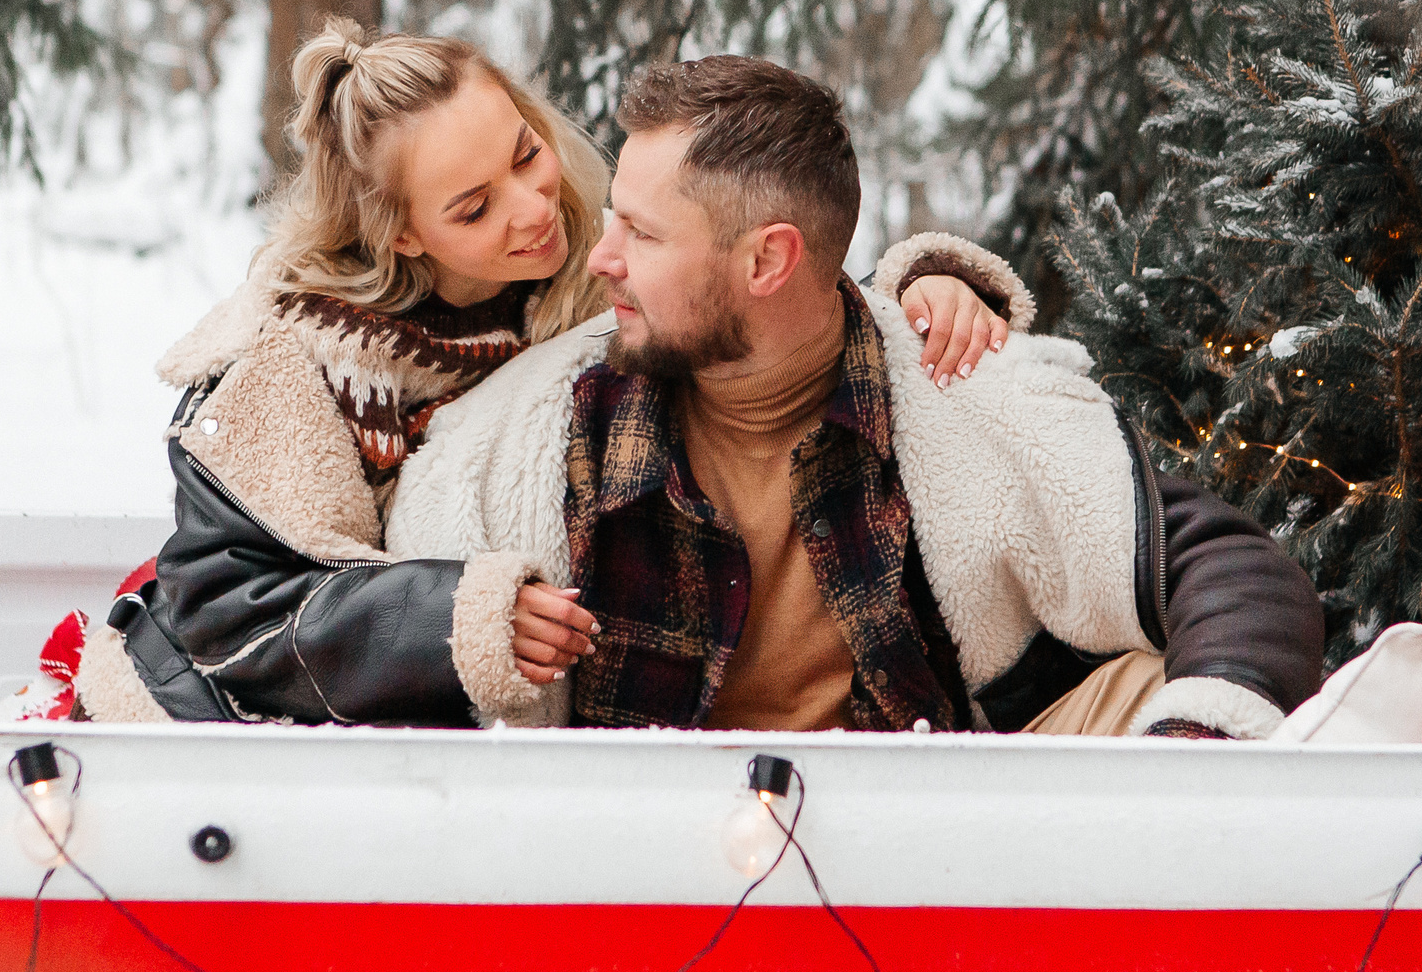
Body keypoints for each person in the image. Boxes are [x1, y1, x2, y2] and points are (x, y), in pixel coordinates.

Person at [73, 23, 1018, 725]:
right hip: (216, 714)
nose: (535, 208)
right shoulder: (293, 362)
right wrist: (450, 612)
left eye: (526, 151)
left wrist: (921, 288)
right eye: (477, 207)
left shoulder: (585, 261)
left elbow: (756, 281)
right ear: (404, 235)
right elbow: (223, 603)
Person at [388, 56, 1323, 738]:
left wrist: (1196, 752)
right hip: (635, 879)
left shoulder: (959, 391)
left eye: (641, 232)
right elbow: (380, 665)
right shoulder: (530, 439)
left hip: (920, 861)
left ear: (768, 261)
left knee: (1155, 683)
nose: (601, 258)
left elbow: (1226, 569)